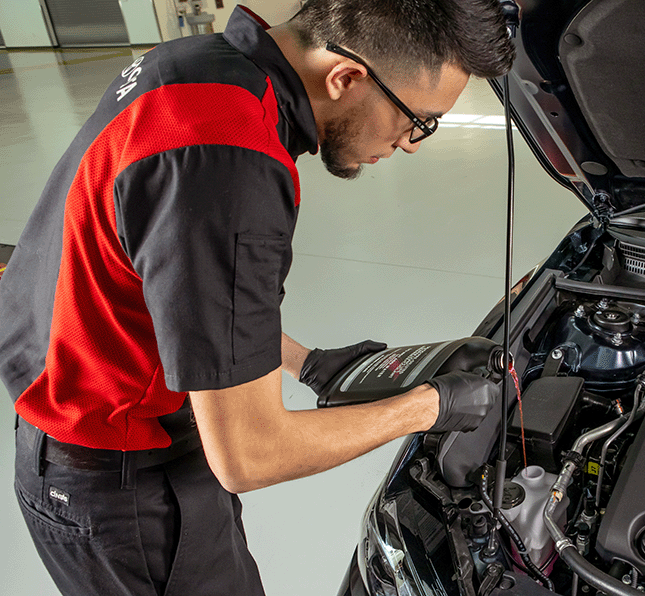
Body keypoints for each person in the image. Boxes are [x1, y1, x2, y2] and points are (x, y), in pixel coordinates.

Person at [0, 1, 515, 594]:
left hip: (97, 426)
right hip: (118, 481)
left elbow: (181, 290)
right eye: (417, 121)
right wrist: (430, 407)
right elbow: (248, 455)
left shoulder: (199, 67)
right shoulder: (229, 160)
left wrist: (307, 363)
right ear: (346, 78)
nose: (411, 144)